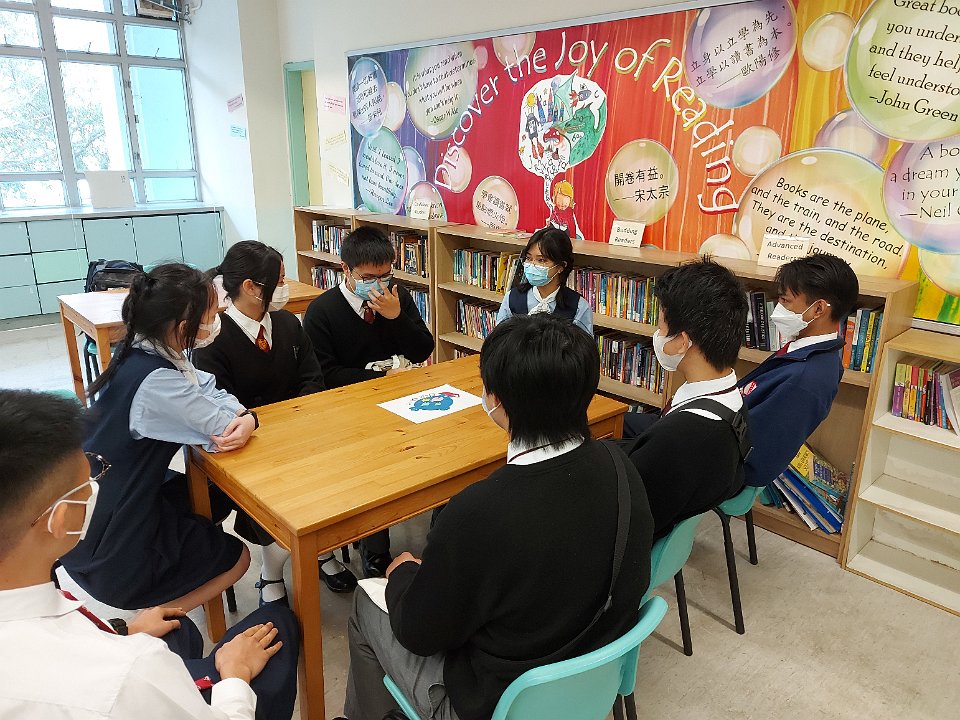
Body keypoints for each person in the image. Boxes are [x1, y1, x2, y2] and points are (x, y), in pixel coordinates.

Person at [343, 314, 654, 720]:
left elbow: (420, 633)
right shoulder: (622, 466)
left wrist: (402, 573)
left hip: (498, 702)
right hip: (594, 672)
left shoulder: (476, 512)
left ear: (497, 403)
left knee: (365, 602)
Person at [0, 389, 300, 720]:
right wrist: (235, 675)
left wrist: (122, 632)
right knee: (279, 623)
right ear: (59, 520)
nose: (95, 490)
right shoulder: (130, 675)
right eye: (89, 482)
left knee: (178, 627)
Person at [59, 263, 255, 611]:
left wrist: (240, 414)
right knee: (238, 557)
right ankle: (154, 620)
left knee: (214, 499)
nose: (217, 319)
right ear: (183, 327)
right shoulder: (159, 383)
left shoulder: (141, 350)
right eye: (212, 314)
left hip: (90, 518)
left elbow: (207, 388)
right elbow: (221, 428)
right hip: (112, 552)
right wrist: (249, 418)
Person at [195, 241, 358, 601]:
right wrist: (271, 428)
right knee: (277, 491)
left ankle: (321, 551)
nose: (285, 286)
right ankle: (271, 572)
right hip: (248, 446)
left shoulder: (287, 324)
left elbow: (313, 377)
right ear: (251, 287)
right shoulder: (213, 339)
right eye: (279, 280)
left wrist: (300, 421)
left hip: (302, 431)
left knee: (339, 468)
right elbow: (222, 405)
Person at [303, 225, 434, 577]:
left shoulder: (396, 297)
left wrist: (396, 317)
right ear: (345, 270)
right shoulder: (322, 311)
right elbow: (325, 375)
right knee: (372, 472)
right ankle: (374, 550)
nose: (378, 285)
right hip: (350, 412)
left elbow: (423, 349)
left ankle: (441, 538)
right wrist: (381, 379)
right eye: (368, 278)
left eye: (385, 275)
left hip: (403, 403)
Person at [623, 258, 750, 539]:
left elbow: (624, 520)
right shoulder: (732, 401)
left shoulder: (681, 439)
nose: (657, 335)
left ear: (682, 341)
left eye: (660, 326)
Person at [737, 253, 859, 487]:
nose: (778, 308)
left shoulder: (805, 379)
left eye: (786, 301)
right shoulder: (806, 348)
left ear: (818, 309)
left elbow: (757, 457)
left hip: (729, 474)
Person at [495, 226, 593, 336]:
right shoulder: (512, 298)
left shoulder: (579, 307)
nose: (532, 265)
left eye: (541, 260)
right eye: (529, 258)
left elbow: (583, 346)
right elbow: (498, 340)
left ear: (560, 266)